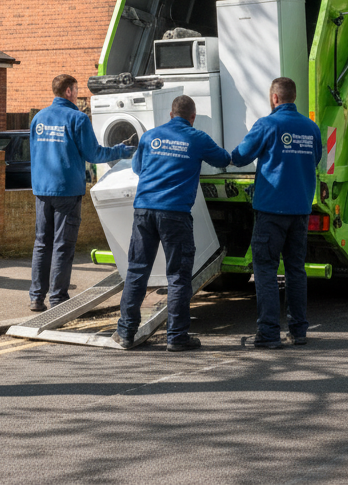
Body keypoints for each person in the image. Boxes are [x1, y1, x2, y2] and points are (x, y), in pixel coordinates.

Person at [114, 95, 231, 351]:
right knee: (178, 276)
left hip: (144, 209)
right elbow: (223, 159)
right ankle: (177, 337)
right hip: (175, 213)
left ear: (170, 114)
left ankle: (125, 333)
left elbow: (137, 168)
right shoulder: (197, 138)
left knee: (137, 271)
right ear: (192, 117)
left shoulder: (150, 136)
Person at [230, 77, 323, 349]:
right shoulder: (311, 128)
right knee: (296, 269)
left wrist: (228, 155)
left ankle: (269, 334)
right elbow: (315, 158)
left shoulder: (267, 125)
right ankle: (298, 331)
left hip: (272, 210)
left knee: (266, 270)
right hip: (301, 210)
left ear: (274, 98)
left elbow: (242, 156)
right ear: (293, 97)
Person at [29, 74, 132, 312]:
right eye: (76, 90)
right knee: (63, 244)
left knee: (42, 243)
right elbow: (94, 155)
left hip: (42, 189)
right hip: (67, 190)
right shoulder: (78, 118)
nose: (78, 95)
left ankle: (36, 297)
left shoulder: (39, 118)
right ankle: (57, 298)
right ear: (68, 91)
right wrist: (120, 151)